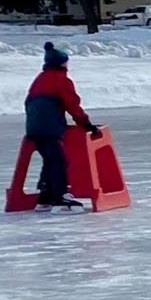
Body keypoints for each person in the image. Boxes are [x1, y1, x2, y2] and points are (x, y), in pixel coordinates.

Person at [23, 41, 98, 209]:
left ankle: (45, 194)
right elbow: (72, 105)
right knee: (59, 162)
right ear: (61, 62)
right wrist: (87, 125)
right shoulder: (61, 80)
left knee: (50, 160)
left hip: (34, 127)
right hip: (49, 128)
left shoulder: (40, 79)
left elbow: (28, 102)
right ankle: (60, 197)